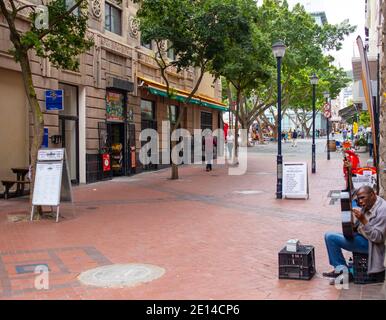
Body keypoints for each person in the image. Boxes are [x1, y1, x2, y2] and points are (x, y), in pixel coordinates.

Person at [323, 186, 386, 283]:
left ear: (373, 195)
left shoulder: (382, 210)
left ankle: (343, 272)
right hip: (363, 237)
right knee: (332, 235)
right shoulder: (371, 203)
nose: (360, 201)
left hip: (373, 246)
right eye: (358, 198)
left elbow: (377, 238)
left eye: (362, 198)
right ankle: (341, 268)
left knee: (330, 237)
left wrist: (363, 220)